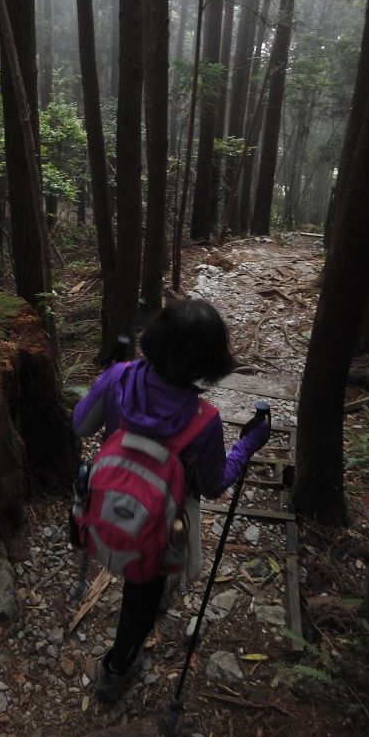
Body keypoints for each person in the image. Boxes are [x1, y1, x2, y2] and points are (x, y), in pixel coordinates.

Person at [72, 298, 271, 702]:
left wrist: (106, 379)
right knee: (142, 595)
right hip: (161, 527)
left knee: (138, 580)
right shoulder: (203, 420)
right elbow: (215, 484)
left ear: (155, 339)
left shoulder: (119, 378)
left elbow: (80, 424)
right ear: (209, 364)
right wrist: (248, 444)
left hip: (106, 506)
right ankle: (117, 667)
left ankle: (118, 667)